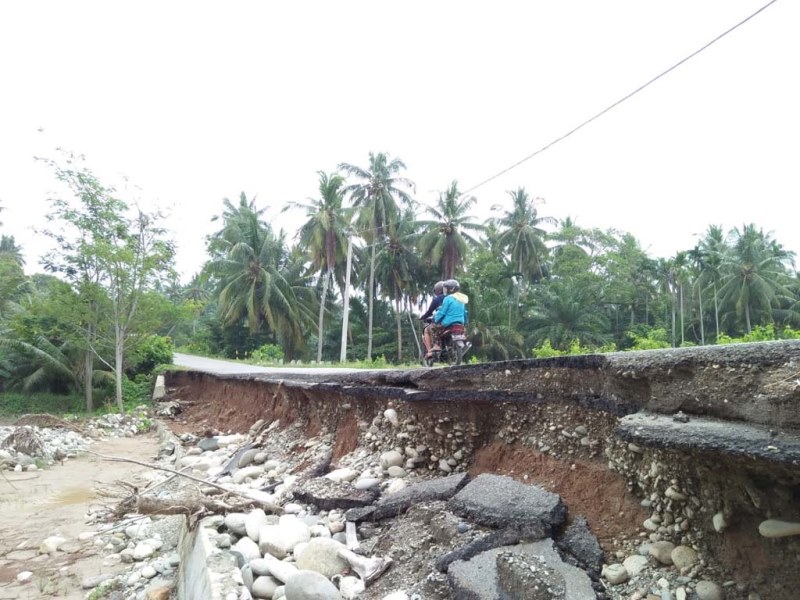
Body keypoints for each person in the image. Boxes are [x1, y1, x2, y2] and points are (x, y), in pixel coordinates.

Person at [430, 278, 469, 355]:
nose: (445, 290)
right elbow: (464, 313)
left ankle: (436, 345)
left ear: (451, 289)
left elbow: (442, 312)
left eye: (446, 288)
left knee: (433, 328)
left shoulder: (448, 298)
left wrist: (435, 319)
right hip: (460, 323)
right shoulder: (462, 299)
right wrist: (465, 322)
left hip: (448, 322)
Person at [420, 281, 445, 359]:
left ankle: (430, 351)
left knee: (427, 330)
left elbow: (429, 312)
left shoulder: (437, 299)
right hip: (455, 322)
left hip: (441, 322)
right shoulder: (452, 298)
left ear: (437, 290)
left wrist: (422, 317)